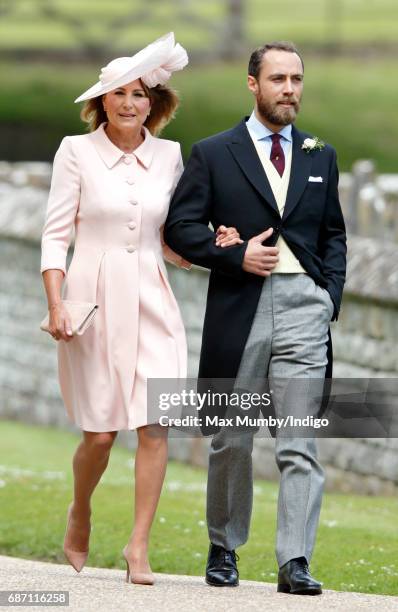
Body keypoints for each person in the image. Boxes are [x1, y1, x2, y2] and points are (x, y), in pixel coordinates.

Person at [40, 32, 241, 585]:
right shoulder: (74, 152)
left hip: (154, 300)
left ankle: (138, 547)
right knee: (100, 435)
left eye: (141, 93)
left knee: (156, 426)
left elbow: (173, 238)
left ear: (155, 103)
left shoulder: (171, 155)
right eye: (120, 93)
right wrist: (56, 305)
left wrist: (212, 242)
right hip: (93, 302)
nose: (131, 103)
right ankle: (80, 511)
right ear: (101, 101)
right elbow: (56, 236)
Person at [164, 41, 346, 595]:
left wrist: (327, 296)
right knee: (232, 439)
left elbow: (333, 233)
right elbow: (180, 227)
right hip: (240, 308)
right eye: (277, 79)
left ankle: (295, 562)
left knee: (299, 443)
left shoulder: (321, 155)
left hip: (304, 311)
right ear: (253, 84)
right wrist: (233, 254)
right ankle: (224, 548)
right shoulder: (214, 152)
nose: (289, 89)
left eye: (296, 79)